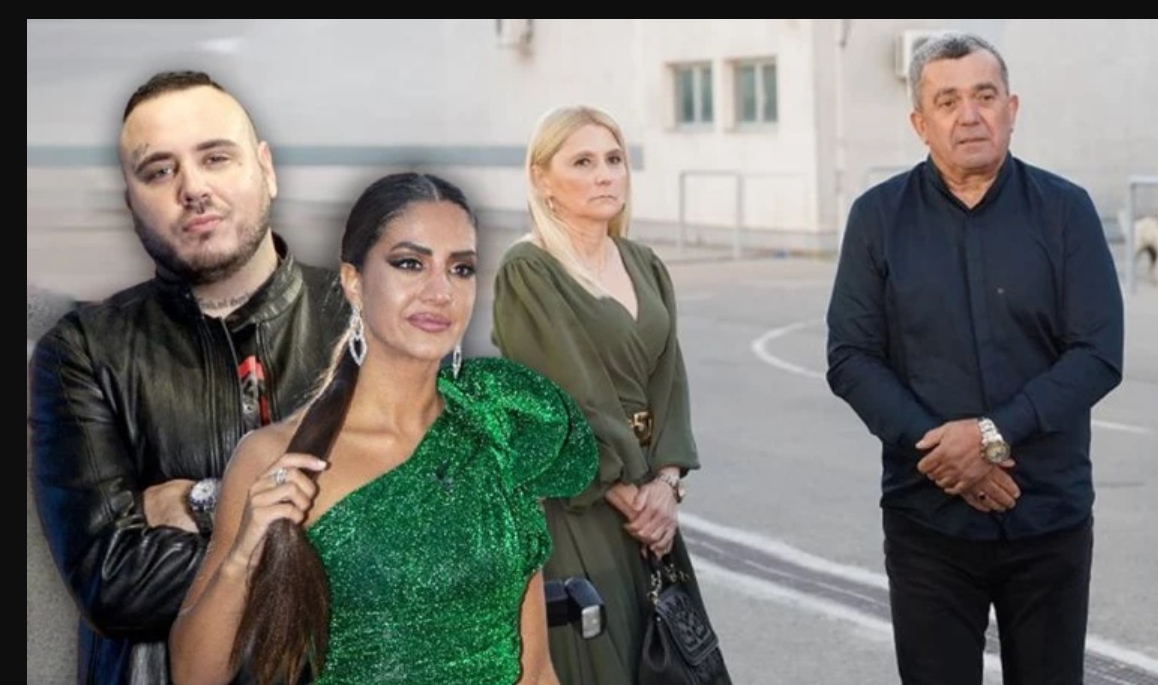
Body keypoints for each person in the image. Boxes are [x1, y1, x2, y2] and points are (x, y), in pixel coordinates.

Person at [168, 171, 599, 685]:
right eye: (410, 264)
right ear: (354, 281)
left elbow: (536, 670)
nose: (440, 292)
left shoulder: (498, 433)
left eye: (460, 269)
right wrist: (243, 555)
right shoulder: (274, 458)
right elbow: (194, 675)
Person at [28, 70, 352, 685]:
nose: (193, 188)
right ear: (131, 202)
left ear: (266, 169)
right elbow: (110, 581)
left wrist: (201, 502)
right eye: (159, 171)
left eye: (215, 158)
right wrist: (318, 531)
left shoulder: (366, 321)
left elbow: (428, 538)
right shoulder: (80, 353)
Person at [825, 32, 1124, 685]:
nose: (969, 115)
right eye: (947, 100)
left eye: (984, 96)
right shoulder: (877, 217)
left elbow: (1097, 352)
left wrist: (989, 436)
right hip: (927, 520)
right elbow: (851, 356)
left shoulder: (1065, 211)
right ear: (919, 123)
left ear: (1011, 109)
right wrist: (948, 458)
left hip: (1047, 516)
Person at [490, 105, 733, 685]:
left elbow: (670, 380)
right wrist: (632, 496)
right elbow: (570, 396)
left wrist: (667, 485)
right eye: (583, 162)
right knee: (604, 661)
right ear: (542, 179)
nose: (605, 175)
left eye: (614, 159)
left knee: (671, 660)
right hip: (583, 502)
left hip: (650, 499)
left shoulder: (644, 263)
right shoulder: (529, 270)